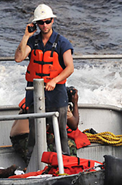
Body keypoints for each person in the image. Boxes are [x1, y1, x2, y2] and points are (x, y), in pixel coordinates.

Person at [14, 4, 74, 162]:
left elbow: (70, 68)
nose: (45, 25)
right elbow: (19, 58)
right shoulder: (32, 41)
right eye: (41, 22)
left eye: (47, 21)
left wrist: (54, 81)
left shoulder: (62, 43)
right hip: (35, 93)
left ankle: (64, 161)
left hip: (57, 93)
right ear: (36, 24)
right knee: (34, 130)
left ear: (52, 21)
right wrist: (26, 36)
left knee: (60, 130)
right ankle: (33, 161)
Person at [10, 86, 89, 161]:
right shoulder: (58, 101)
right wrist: (75, 103)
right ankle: (70, 167)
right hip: (27, 139)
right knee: (69, 143)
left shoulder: (37, 97)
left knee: (52, 138)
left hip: (15, 137)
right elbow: (74, 125)